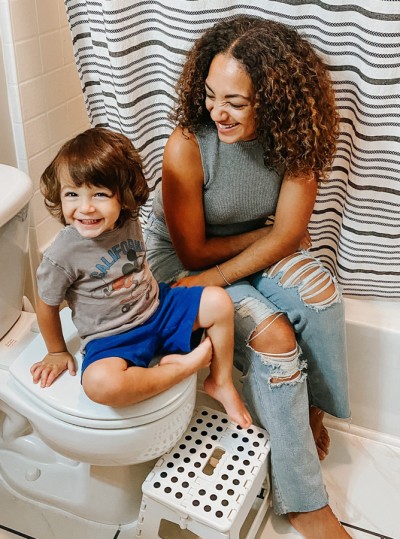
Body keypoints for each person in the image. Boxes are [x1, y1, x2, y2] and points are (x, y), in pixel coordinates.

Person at [143, 15, 352, 539]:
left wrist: (274, 236)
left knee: (320, 291)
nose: (218, 111)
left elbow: (288, 236)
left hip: (245, 247)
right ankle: (305, 502)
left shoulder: (296, 136)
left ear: (274, 100)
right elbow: (193, 251)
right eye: (212, 95)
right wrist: (269, 235)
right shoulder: (187, 144)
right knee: (274, 338)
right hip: (186, 264)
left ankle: (313, 411)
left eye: (236, 102)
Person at [30, 127, 252, 430]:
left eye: (99, 194)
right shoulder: (62, 254)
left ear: (124, 198)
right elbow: (46, 304)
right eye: (72, 194)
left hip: (157, 308)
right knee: (99, 385)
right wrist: (56, 350)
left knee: (219, 301)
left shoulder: (128, 218)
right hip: (112, 339)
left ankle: (221, 381)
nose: (85, 207)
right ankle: (184, 367)